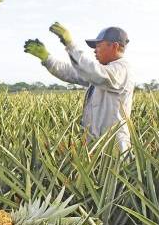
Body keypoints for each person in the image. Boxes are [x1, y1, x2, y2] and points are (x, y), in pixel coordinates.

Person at [24, 23, 134, 152]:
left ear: (114, 46)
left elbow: (93, 72)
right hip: (94, 142)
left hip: (113, 145)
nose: (95, 50)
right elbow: (71, 73)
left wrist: (70, 45)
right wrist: (47, 58)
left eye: (98, 45)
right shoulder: (103, 73)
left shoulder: (121, 69)